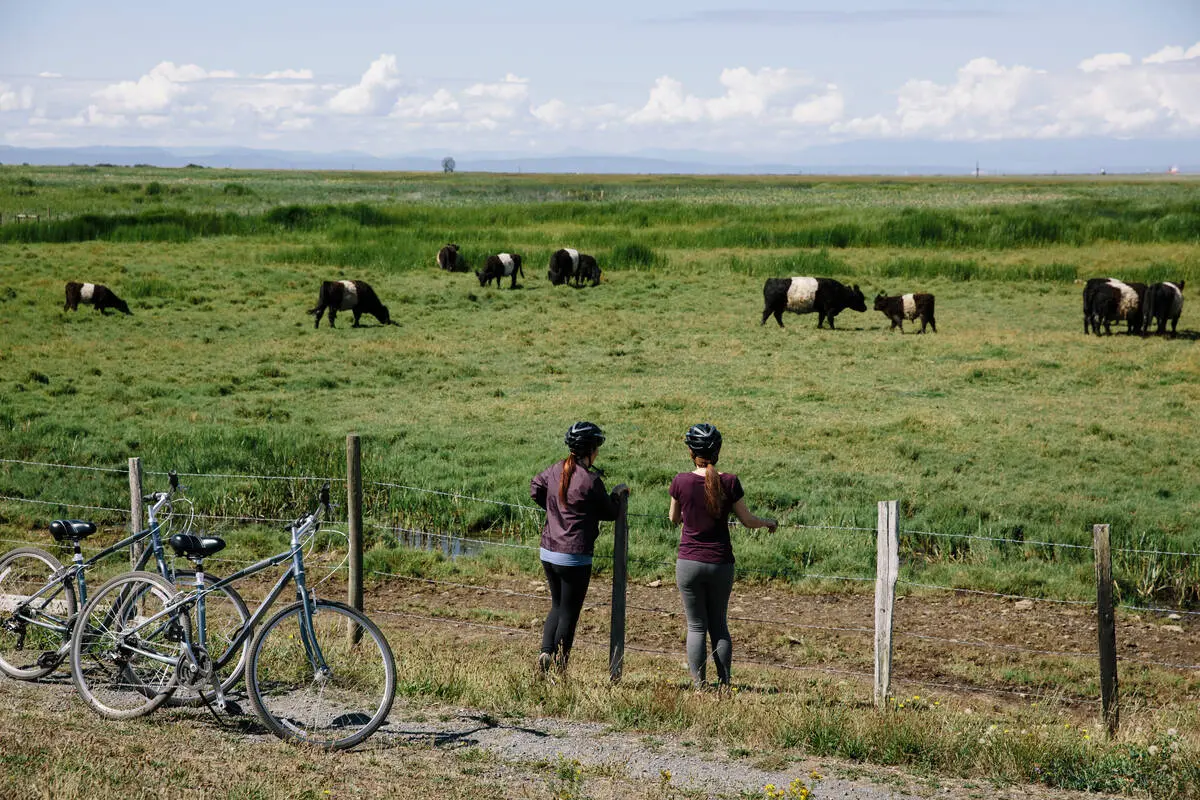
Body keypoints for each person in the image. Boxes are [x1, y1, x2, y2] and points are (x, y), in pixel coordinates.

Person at [668, 423, 777, 690]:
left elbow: (673, 518)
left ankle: (699, 686)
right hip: (720, 563)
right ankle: (725, 683)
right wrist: (767, 522)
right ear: (717, 452)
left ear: (692, 453)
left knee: (695, 626)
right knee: (719, 624)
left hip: (689, 563)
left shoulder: (680, 481)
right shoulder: (729, 481)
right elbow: (748, 520)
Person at [531, 421, 629, 674]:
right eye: (596, 447)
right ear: (590, 451)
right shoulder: (590, 480)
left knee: (556, 605)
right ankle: (559, 668)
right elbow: (610, 513)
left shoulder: (554, 470)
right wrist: (618, 495)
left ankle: (545, 652)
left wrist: (554, 510)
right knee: (569, 614)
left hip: (548, 551)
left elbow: (536, 488)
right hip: (574, 556)